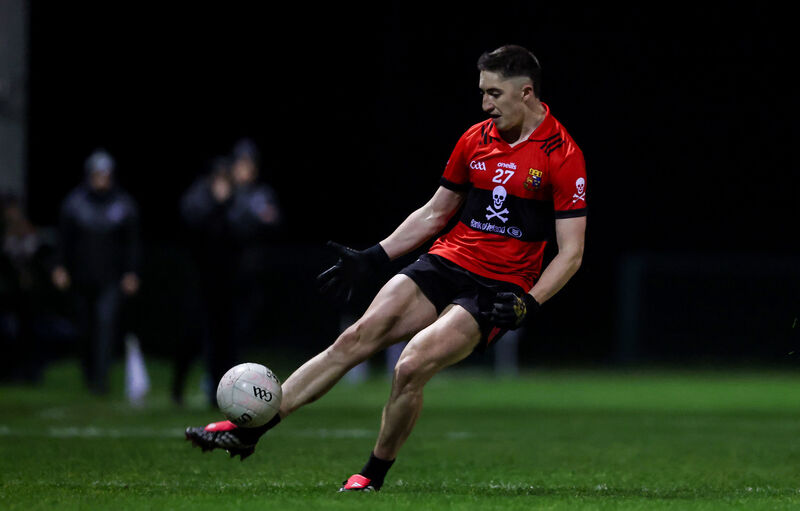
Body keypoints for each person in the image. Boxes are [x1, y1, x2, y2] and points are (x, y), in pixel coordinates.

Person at [185, 45, 587, 492]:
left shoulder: (561, 153)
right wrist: (375, 255)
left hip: (498, 287)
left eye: (493, 93)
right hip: (448, 260)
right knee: (355, 336)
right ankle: (251, 430)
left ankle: (372, 475)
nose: (485, 104)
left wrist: (528, 304)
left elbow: (571, 253)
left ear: (526, 92)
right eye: (482, 92)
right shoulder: (475, 139)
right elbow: (436, 212)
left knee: (410, 366)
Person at [176, 140, 282, 406]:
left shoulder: (249, 196)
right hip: (204, 277)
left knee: (231, 337)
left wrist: (226, 207)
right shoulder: (205, 191)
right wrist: (217, 203)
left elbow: (256, 224)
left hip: (238, 277)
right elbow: (192, 220)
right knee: (195, 333)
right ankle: (180, 384)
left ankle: (219, 388)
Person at [52, 149, 141, 395]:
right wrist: (59, 267)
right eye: (97, 173)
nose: (102, 178)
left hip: (110, 279)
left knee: (105, 324)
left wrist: (132, 272)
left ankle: (101, 381)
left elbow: (132, 243)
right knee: (84, 328)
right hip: (81, 278)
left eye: (106, 173)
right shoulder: (74, 203)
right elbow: (64, 241)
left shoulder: (123, 205)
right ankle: (89, 373)